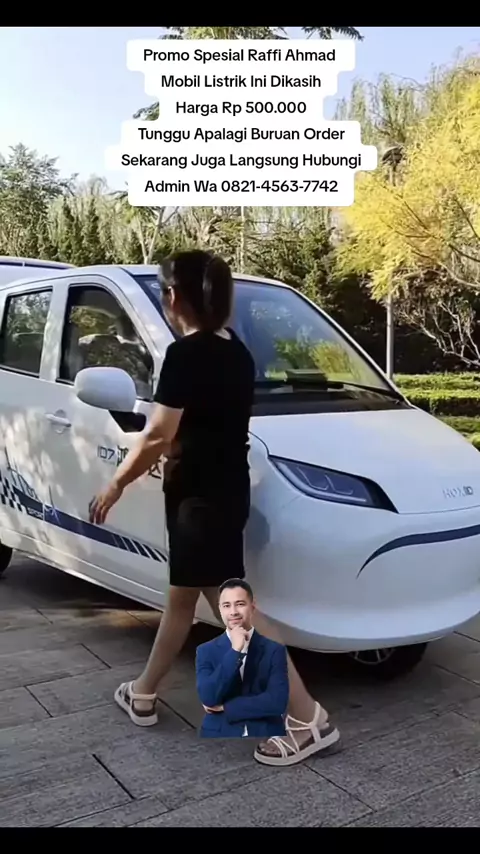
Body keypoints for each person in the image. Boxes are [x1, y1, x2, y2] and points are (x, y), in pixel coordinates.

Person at [88, 248, 340, 767]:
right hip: (223, 493)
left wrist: (115, 484)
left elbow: (158, 434)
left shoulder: (187, 354)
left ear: (173, 297)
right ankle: (143, 692)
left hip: (199, 503)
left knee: (235, 613)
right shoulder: (237, 352)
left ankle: (307, 718)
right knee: (183, 599)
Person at [196, 579, 288, 738]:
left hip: (265, 732)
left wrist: (227, 707)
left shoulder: (274, 650)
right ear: (220, 609)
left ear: (252, 607)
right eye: (226, 606)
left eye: (240, 604)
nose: (233, 612)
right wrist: (235, 651)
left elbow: (277, 702)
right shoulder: (205, 651)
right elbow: (209, 697)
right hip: (219, 733)